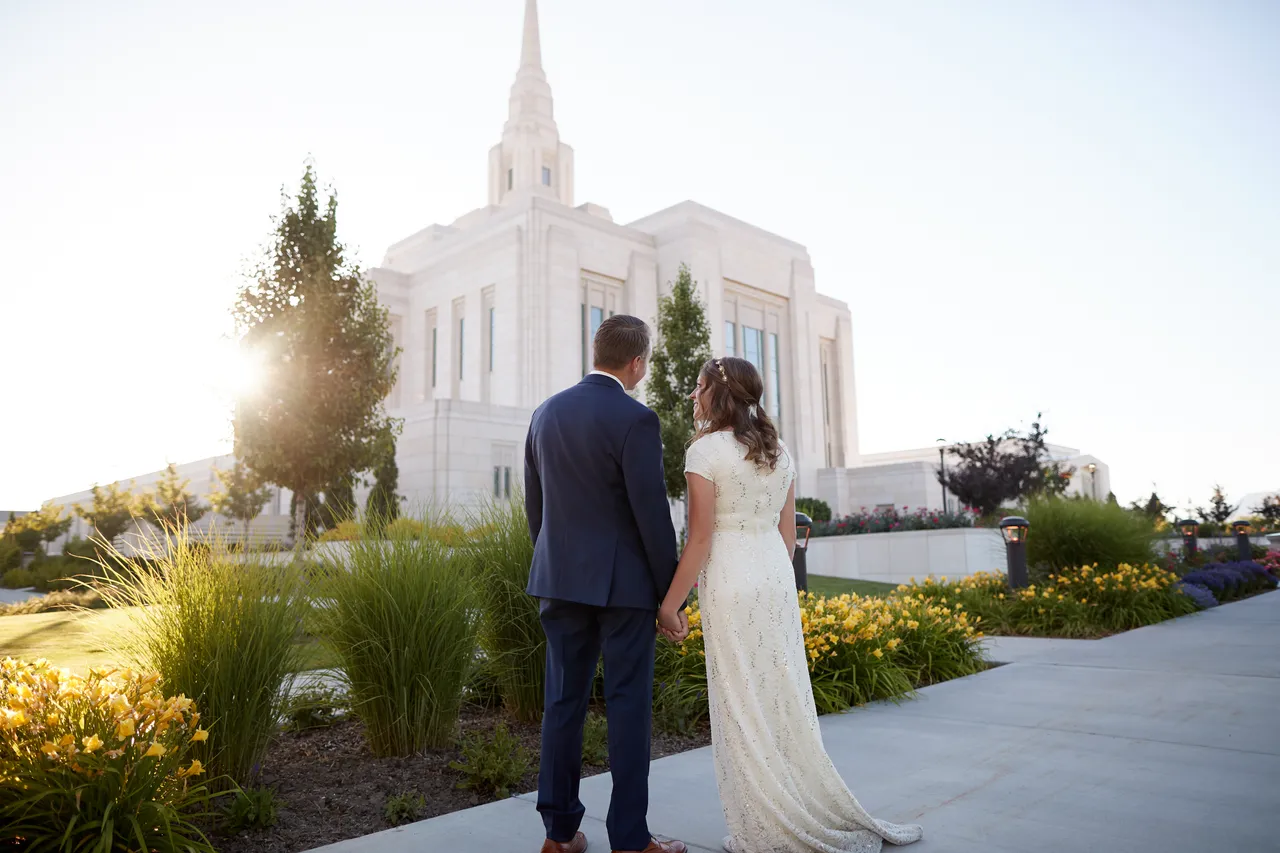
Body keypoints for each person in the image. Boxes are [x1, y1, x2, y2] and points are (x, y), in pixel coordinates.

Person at [659, 357, 924, 853]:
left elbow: (698, 540)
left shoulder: (704, 451)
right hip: (774, 579)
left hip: (732, 578)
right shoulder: (778, 450)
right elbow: (787, 533)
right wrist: (771, 578)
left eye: (698, 387)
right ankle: (787, 802)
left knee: (742, 701)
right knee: (779, 693)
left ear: (719, 393)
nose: (693, 396)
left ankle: (765, 821)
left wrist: (669, 606)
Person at [525, 314, 690, 853]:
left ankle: (558, 834)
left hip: (559, 578)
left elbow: (536, 508)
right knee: (627, 707)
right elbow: (651, 517)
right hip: (624, 590)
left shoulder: (544, 414)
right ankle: (630, 840)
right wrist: (669, 597)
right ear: (637, 362)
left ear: (597, 351)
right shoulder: (636, 418)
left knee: (562, 704)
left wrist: (555, 562)